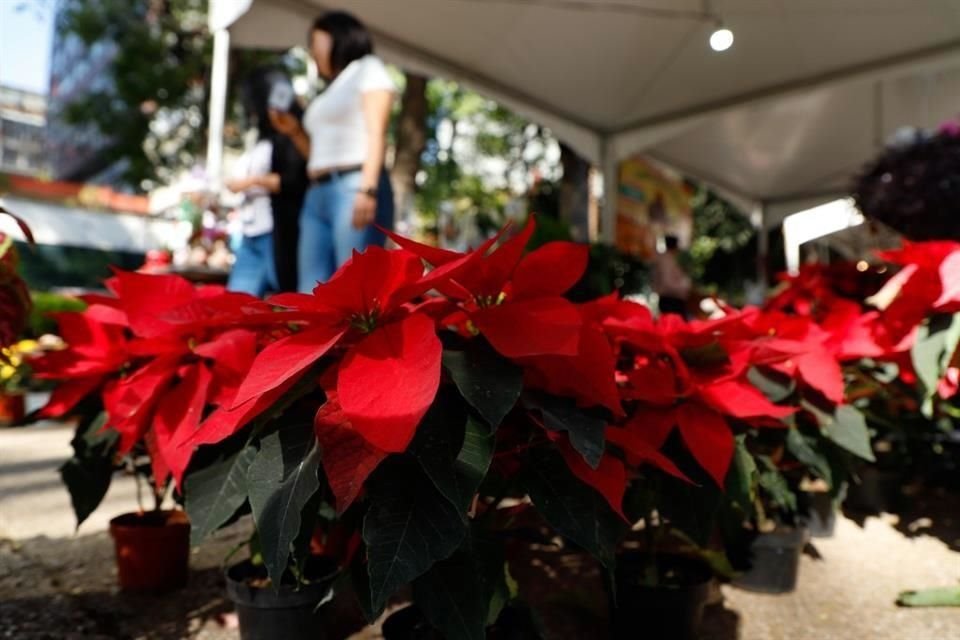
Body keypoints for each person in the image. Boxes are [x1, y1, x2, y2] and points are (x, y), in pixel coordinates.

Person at [269, 10, 396, 292]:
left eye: (316, 41)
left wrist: (369, 190)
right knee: (311, 290)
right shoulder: (331, 89)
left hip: (354, 186)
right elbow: (317, 155)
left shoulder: (368, 68)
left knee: (355, 291)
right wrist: (294, 132)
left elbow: (377, 134)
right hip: (317, 193)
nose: (312, 50)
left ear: (337, 37)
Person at [652, 235, 692, 318]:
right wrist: (685, 286)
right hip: (672, 298)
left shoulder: (664, 258)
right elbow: (667, 281)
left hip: (669, 297)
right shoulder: (667, 259)